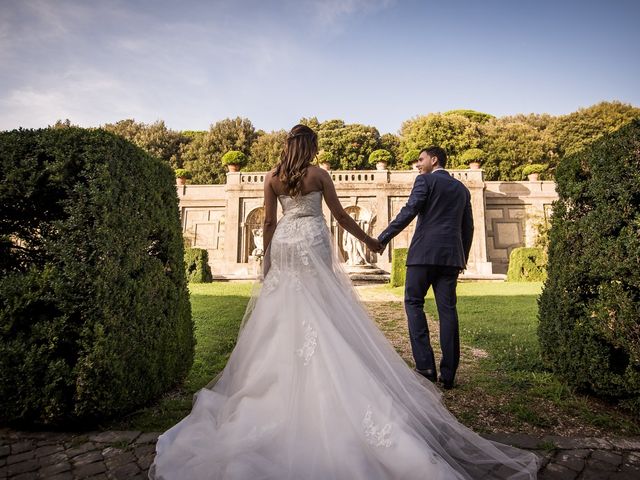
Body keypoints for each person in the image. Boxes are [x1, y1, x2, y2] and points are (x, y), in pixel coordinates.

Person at [149, 125, 538, 479]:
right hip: (313, 241)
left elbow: (267, 223)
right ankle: (415, 371)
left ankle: (273, 380)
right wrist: (371, 241)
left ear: (286, 146)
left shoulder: (273, 177)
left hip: (285, 243)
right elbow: (338, 216)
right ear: (311, 147)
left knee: (281, 308)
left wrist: (267, 259)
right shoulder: (319, 174)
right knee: (324, 305)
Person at [377, 146, 473, 389]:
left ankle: (426, 366)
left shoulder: (425, 181)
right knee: (448, 311)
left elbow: (410, 211)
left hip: (423, 255)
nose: (418, 164)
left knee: (413, 303)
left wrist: (383, 237)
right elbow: (468, 228)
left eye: (421, 159)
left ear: (434, 159)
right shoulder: (462, 189)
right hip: (451, 258)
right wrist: (462, 258)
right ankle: (449, 375)